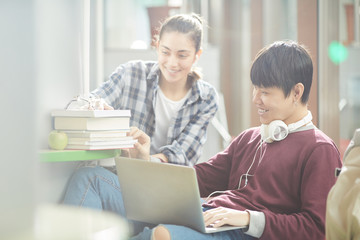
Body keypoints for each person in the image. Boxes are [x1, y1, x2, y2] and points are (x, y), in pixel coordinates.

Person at [124, 40, 343, 240]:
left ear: (296, 92)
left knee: (162, 235)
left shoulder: (319, 149)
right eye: (255, 88)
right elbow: (199, 178)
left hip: (244, 232)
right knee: (117, 204)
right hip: (213, 218)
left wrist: (248, 218)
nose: (255, 99)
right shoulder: (251, 137)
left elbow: (317, 229)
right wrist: (148, 162)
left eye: (265, 92)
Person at [63, 13, 218, 210]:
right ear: (156, 45)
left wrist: (145, 159)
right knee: (86, 177)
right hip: (123, 184)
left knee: (88, 179)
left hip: (167, 192)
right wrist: (97, 108)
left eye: (182, 55)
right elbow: (93, 99)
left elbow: (183, 156)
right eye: (165, 52)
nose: (172, 63)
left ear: (197, 55)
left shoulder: (206, 97)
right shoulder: (130, 73)